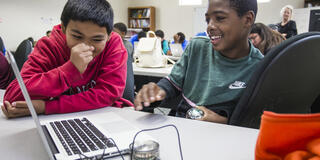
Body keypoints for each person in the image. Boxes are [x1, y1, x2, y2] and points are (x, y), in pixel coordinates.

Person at [134, 0, 263, 124]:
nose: (210, 27)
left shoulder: (260, 68)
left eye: (220, 18)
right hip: (183, 129)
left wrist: (224, 121)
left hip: (226, 138)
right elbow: (173, 83)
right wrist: (158, 91)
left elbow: (254, 120)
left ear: (247, 19)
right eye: (208, 20)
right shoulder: (197, 47)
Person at [1, 0, 132, 118]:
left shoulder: (114, 44)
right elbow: (12, 97)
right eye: (77, 36)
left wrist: (45, 107)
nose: (86, 46)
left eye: (97, 39)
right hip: (59, 119)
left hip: (104, 115)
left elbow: (108, 93)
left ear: (109, 36)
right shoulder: (50, 46)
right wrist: (70, 70)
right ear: (64, 28)